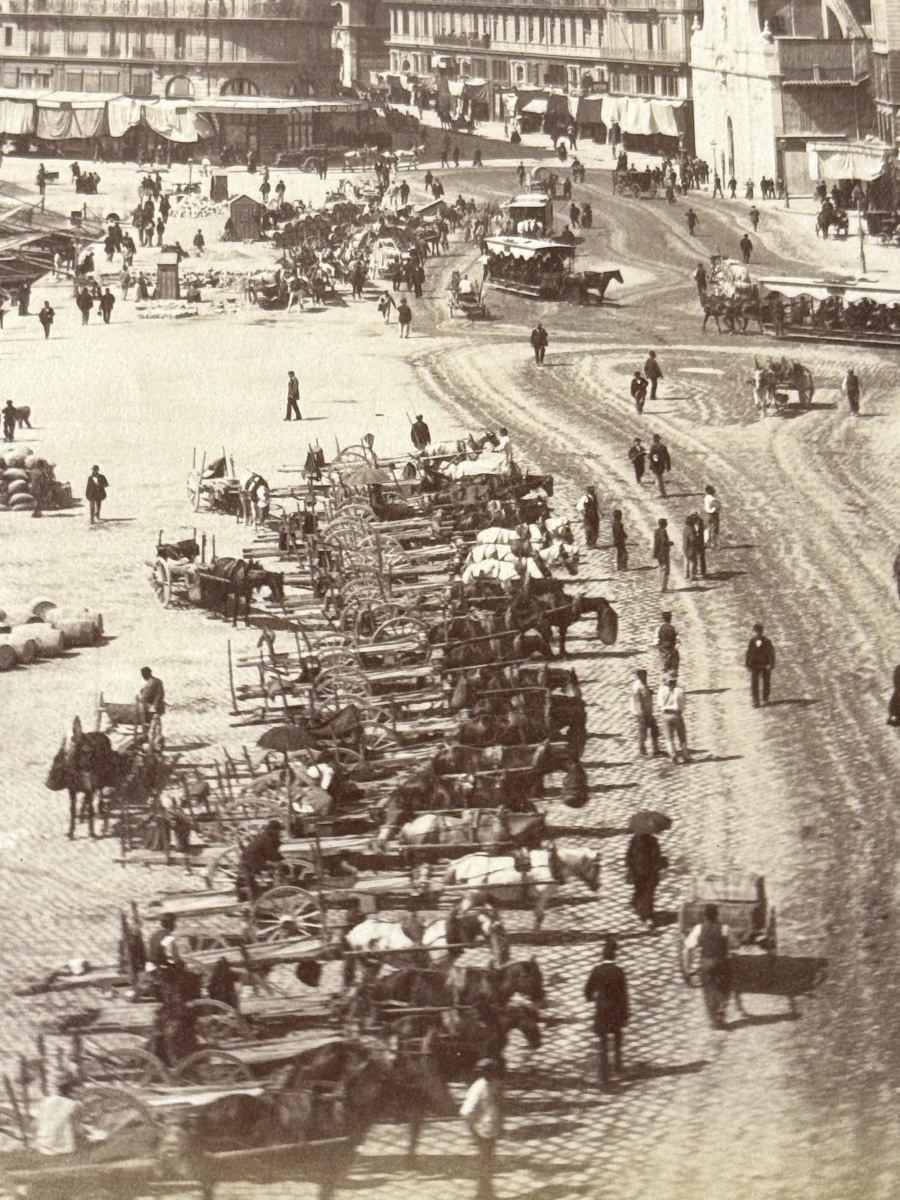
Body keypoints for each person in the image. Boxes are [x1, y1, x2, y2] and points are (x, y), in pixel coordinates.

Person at [584, 937, 629, 1088]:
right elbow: (624, 995)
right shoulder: (619, 972)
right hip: (615, 1011)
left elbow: (587, 990)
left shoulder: (597, 971)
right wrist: (625, 1014)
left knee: (602, 1043)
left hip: (602, 1012)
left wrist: (591, 998)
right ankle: (618, 1066)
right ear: (614, 956)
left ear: (602, 956)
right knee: (617, 1038)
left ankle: (603, 1075)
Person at [460, 1058, 503, 1200]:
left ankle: (487, 1193)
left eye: (492, 1070)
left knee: (488, 1163)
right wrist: (472, 1129)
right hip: (482, 1131)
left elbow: (500, 1106)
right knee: (484, 1163)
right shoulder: (477, 1088)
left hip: (493, 1129)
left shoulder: (497, 1084)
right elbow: (466, 1111)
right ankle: (482, 1194)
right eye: (488, 1071)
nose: (492, 1073)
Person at [683, 904, 733, 1028]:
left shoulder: (699, 928)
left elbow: (687, 948)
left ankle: (714, 1020)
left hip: (706, 963)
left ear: (705, 916)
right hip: (721, 963)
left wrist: (687, 968)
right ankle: (721, 1008)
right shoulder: (724, 928)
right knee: (724, 986)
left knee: (708, 990)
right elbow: (736, 944)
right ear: (717, 915)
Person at [32, 1074, 84, 1156]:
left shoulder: (48, 1100)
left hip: (42, 1143)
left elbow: (38, 1120)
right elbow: (78, 1124)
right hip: (63, 1146)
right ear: (70, 1089)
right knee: (71, 1124)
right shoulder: (73, 1104)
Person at [625, 831, 665, 927]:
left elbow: (628, 858)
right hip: (649, 873)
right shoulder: (653, 841)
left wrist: (630, 869)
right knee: (648, 894)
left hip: (638, 873)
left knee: (642, 891)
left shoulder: (634, 841)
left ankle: (641, 907)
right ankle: (647, 916)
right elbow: (657, 857)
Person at [238, 818, 283, 899]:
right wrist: (281, 861)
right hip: (253, 861)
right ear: (274, 831)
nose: (279, 833)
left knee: (274, 866)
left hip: (248, 860)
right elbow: (272, 854)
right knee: (276, 866)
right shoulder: (268, 839)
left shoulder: (264, 836)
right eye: (278, 831)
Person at [657, 672, 689, 762]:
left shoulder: (661, 690)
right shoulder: (680, 691)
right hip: (677, 714)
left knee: (669, 737)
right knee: (682, 736)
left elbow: (659, 704)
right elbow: (683, 705)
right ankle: (686, 756)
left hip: (666, 714)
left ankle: (673, 755)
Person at [745, 622, 776, 707]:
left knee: (766, 682)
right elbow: (749, 653)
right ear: (754, 632)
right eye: (756, 632)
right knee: (754, 683)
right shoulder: (752, 641)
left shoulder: (767, 641)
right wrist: (748, 664)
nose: (758, 633)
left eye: (759, 632)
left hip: (765, 664)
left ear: (762, 632)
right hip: (755, 665)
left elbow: (771, 653)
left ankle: (765, 699)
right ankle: (755, 701)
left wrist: (771, 664)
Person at [630, 668, 659, 756]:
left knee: (654, 729)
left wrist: (650, 692)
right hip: (642, 713)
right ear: (639, 676)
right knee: (643, 731)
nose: (646, 677)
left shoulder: (643, 683)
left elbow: (645, 693)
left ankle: (655, 749)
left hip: (648, 711)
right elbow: (637, 701)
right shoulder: (637, 686)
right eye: (644, 675)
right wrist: (642, 714)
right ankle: (642, 750)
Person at [138, 666, 165, 739]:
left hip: (154, 708)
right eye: (142, 674)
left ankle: (157, 743)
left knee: (155, 726)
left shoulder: (155, 682)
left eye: (144, 674)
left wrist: (154, 706)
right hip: (149, 708)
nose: (143, 676)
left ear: (149, 673)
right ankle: (153, 741)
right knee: (152, 725)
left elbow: (159, 695)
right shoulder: (150, 683)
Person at [653, 519, 673, 593]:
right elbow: (664, 542)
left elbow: (656, 543)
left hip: (658, 553)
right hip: (664, 553)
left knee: (661, 569)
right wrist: (670, 543)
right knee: (665, 570)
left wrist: (655, 553)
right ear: (664, 524)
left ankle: (660, 586)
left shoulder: (656, 531)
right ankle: (663, 587)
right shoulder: (663, 531)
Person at [703, 484, 720, 549]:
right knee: (714, 529)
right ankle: (713, 544)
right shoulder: (713, 499)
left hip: (707, 514)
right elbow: (718, 507)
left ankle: (706, 542)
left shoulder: (706, 497)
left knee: (708, 528)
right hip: (713, 514)